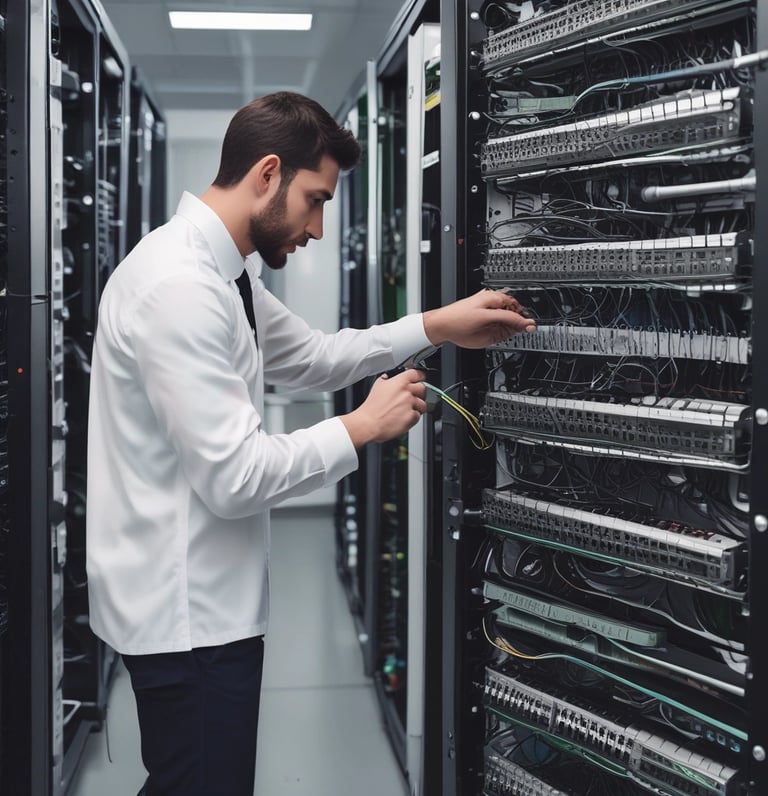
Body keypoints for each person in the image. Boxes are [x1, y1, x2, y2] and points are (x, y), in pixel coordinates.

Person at [85, 90, 535, 796]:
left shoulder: (225, 273)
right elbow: (233, 477)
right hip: (187, 618)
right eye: (316, 199)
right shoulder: (179, 288)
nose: (320, 227)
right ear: (268, 174)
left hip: (203, 608)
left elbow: (318, 356)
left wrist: (439, 324)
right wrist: (361, 426)